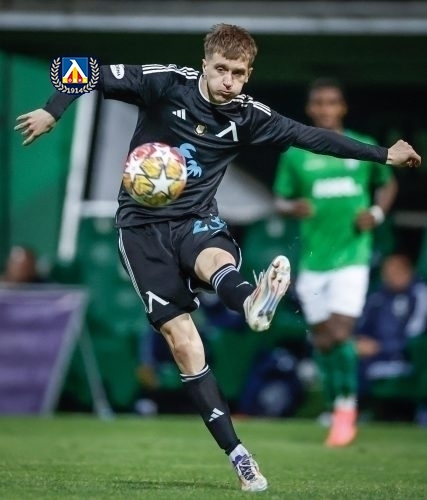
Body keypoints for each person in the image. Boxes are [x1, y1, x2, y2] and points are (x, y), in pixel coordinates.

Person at [15, 25, 420, 491]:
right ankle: (239, 454)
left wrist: (383, 154)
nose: (229, 81)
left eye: (239, 73)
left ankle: (251, 302)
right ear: (204, 64)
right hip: (141, 231)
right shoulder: (166, 83)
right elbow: (78, 68)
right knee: (184, 343)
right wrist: (52, 111)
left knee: (215, 261)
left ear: (249, 75)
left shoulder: (249, 116)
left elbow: (311, 136)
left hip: (196, 221)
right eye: (222, 70)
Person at [273, 78, 402, 447]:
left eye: (332, 102)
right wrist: (292, 207)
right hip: (315, 259)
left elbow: (388, 182)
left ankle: (347, 409)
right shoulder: (296, 154)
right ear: (310, 108)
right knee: (323, 340)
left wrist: (376, 213)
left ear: (342, 107)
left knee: (342, 333)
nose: (325, 109)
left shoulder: (361, 146)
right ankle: (333, 405)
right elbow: (279, 199)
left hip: (352, 256)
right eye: (319, 103)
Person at [355, 254, 427, 423]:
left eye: (396, 272)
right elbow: (363, 326)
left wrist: (381, 347)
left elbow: (415, 335)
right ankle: (348, 411)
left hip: (406, 357)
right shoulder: (378, 296)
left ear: (407, 272)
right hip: (374, 355)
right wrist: (360, 342)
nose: (390, 276)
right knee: (349, 354)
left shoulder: (420, 294)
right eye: (387, 272)